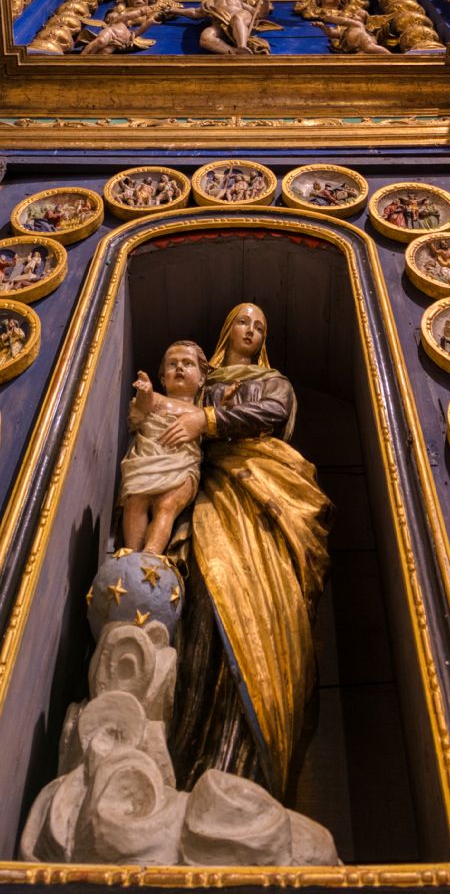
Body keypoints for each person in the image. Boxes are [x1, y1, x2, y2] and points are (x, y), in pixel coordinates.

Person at [166, 303, 332, 799]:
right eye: (244, 321)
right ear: (227, 329)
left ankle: (254, 771)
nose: (252, 330)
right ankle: (191, 762)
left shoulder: (275, 382)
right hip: (213, 492)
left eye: (260, 326)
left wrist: (206, 420)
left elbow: (271, 413)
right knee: (205, 608)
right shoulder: (202, 381)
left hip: (269, 493)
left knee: (273, 608)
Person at [118, 340, 207, 555]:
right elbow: (143, 405)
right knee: (136, 500)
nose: (179, 368)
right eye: (172, 364)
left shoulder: (202, 413)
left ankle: (151, 554)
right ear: (162, 379)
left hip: (182, 464)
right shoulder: (158, 400)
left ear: (202, 378)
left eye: (188, 363)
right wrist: (145, 391)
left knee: (167, 505)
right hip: (148, 458)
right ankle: (131, 553)